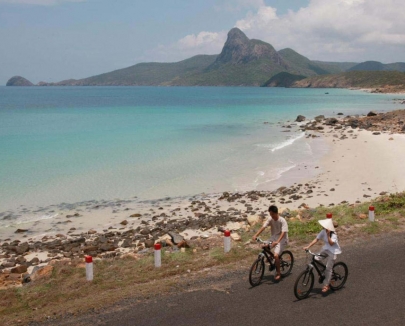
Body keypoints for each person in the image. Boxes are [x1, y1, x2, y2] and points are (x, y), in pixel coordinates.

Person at [303, 217, 342, 293]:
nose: (323, 227)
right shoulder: (323, 231)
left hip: (333, 251)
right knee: (315, 258)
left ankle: (326, 285)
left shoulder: (334, 234)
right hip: (326, 249)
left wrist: (328, 235)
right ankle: (323, 272)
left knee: (328, 269)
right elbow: (316, 239)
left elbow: (331, 243)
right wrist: (308, 246)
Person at [252, 205, 288, 281]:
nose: (271, 216)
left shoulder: (282, 220)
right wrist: (256, 235)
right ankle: (270, 256)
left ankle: (278, 273)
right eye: (270, 214)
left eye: (272, 214)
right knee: (264, 246)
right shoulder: (270, 219)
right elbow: (263, 227)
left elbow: (283, 233)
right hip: (273, 237)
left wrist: (277, 241)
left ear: (276, 213)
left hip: (282, 239)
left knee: (275, 255)